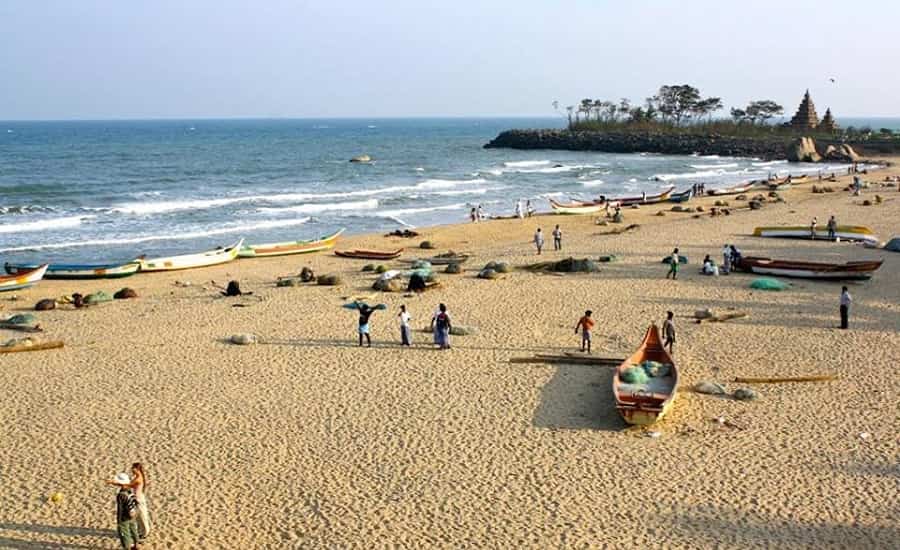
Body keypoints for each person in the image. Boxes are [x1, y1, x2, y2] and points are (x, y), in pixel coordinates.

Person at [107, 463, 151, 542]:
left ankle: (145, 533)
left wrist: (113, 483)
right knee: (138, 516)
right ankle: (141, 532)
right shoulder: (137, 477)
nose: (131, 470)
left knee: (142, 516)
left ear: (137, 469)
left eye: (133, 468)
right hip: (136, 498)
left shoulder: (138, 478)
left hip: (139, 498)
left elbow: (128, 485)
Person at [111, 473, 141, 550]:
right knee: (133, 529)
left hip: (124, 517)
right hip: (132, 515)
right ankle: (136, 544)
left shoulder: (121, 495)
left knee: (125, 533)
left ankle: (127, 547)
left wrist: (119, 520)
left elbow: (120, 508)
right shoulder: (129, 491)